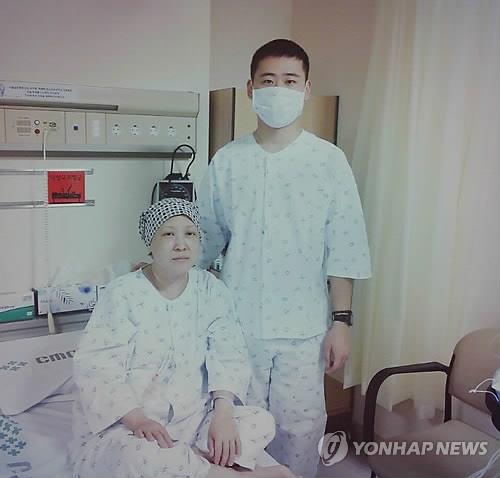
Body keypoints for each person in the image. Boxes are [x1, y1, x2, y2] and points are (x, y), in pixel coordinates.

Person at [197, 39, 372, 477]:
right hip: (239, 324)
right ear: (251, 88)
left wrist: (342, 323)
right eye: (268, 80)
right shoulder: (227, 162)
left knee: (301, 430)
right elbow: (204, 242)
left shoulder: (328, 161)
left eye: (290, 80)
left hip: (304, 327)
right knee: (241, 430)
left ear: (307, 89)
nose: (279, 89)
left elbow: (344, 246)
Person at [69, 198, 298, 478]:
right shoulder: (122, 294)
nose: (181, 244)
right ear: (150, 243)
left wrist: (223, 415)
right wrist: (138, 420)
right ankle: (235, 474)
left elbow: (229, 354)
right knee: (136, 457)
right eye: (168, 234)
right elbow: (97, 367)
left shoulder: (211, 290)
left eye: (190, 233)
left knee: (260, 421)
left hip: (195, 421)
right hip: (130, 426)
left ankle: (193, 465)